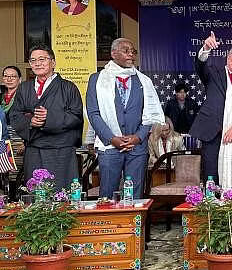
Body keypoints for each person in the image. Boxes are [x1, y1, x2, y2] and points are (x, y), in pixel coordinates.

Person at [87, 38, 164, 199]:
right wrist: (111, 138)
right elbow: (93, 113)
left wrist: (137, 137)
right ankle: (108, 225)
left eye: (133, 51)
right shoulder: (97, 79)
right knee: (107, 196)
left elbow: (149, 114)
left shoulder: (144, 81)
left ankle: (135, 224)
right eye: (125, 50)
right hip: (109, 147)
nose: (131, 54)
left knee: (135, 197)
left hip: (137, 148)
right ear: (113, 53)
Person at [189, 31, 232, 191]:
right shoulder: (213, 74)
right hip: (212, 134)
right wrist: (205, 48)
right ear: (228, 57)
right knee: (211, 177)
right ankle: (211, 213)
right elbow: (200, 65)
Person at [10, 45, 83, 190]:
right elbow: (15, 115)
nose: (37, 63)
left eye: (42, 59)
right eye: (33, 60)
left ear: (53, 62)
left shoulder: (68, 87)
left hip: (61, 150)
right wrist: (30, 121)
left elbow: (76, 116)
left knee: (61, 194)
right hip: (34, 149)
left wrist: (48, 118)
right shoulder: (24, 88)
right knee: (36, 194)